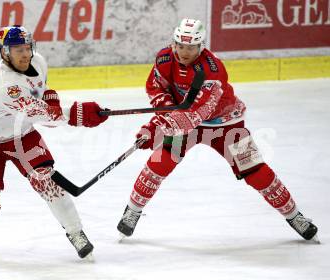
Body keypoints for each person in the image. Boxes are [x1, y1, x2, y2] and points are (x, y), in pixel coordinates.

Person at [116, 18, 319, 242]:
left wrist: (157, 127)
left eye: (191, 47)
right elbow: (156, 88)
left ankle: (294, 216)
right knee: (159, 162)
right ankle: (132, 211)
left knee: (255, 171)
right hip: (182, 123)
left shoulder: (211, 70)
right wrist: (163, 115)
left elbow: (195, 114)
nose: (184, 52)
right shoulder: (164, 58)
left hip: (225, 124)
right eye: (180, 45)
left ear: (200, 46)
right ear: (174, 43)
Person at [0, 25, 108, 259]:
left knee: (48, 183)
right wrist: (80, 114)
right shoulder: (5, 85)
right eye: (17, 49)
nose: (25, 54)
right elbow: (45, 115)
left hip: (22, 134)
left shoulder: (38, 61)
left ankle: (76, 232)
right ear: (4, 53)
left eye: (27, 47)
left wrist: (52, 98)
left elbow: (41, 94)